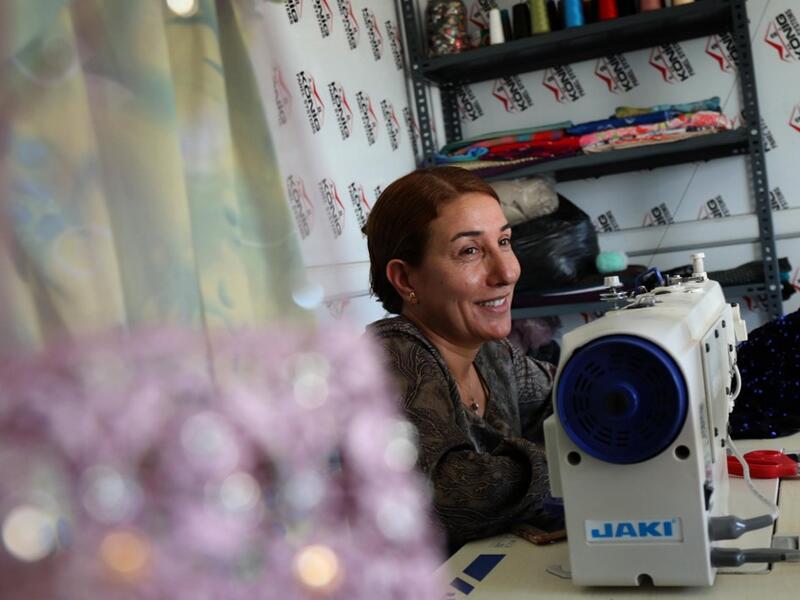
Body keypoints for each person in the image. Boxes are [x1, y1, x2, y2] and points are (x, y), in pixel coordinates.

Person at [364, 166, 560, 552]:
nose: (507, 272)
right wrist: (573, 457)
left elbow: (568, 394)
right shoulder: (392, 355)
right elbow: (455, 495)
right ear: (405, 280)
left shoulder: (491, 355)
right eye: (470, 251)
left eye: (504, 241)